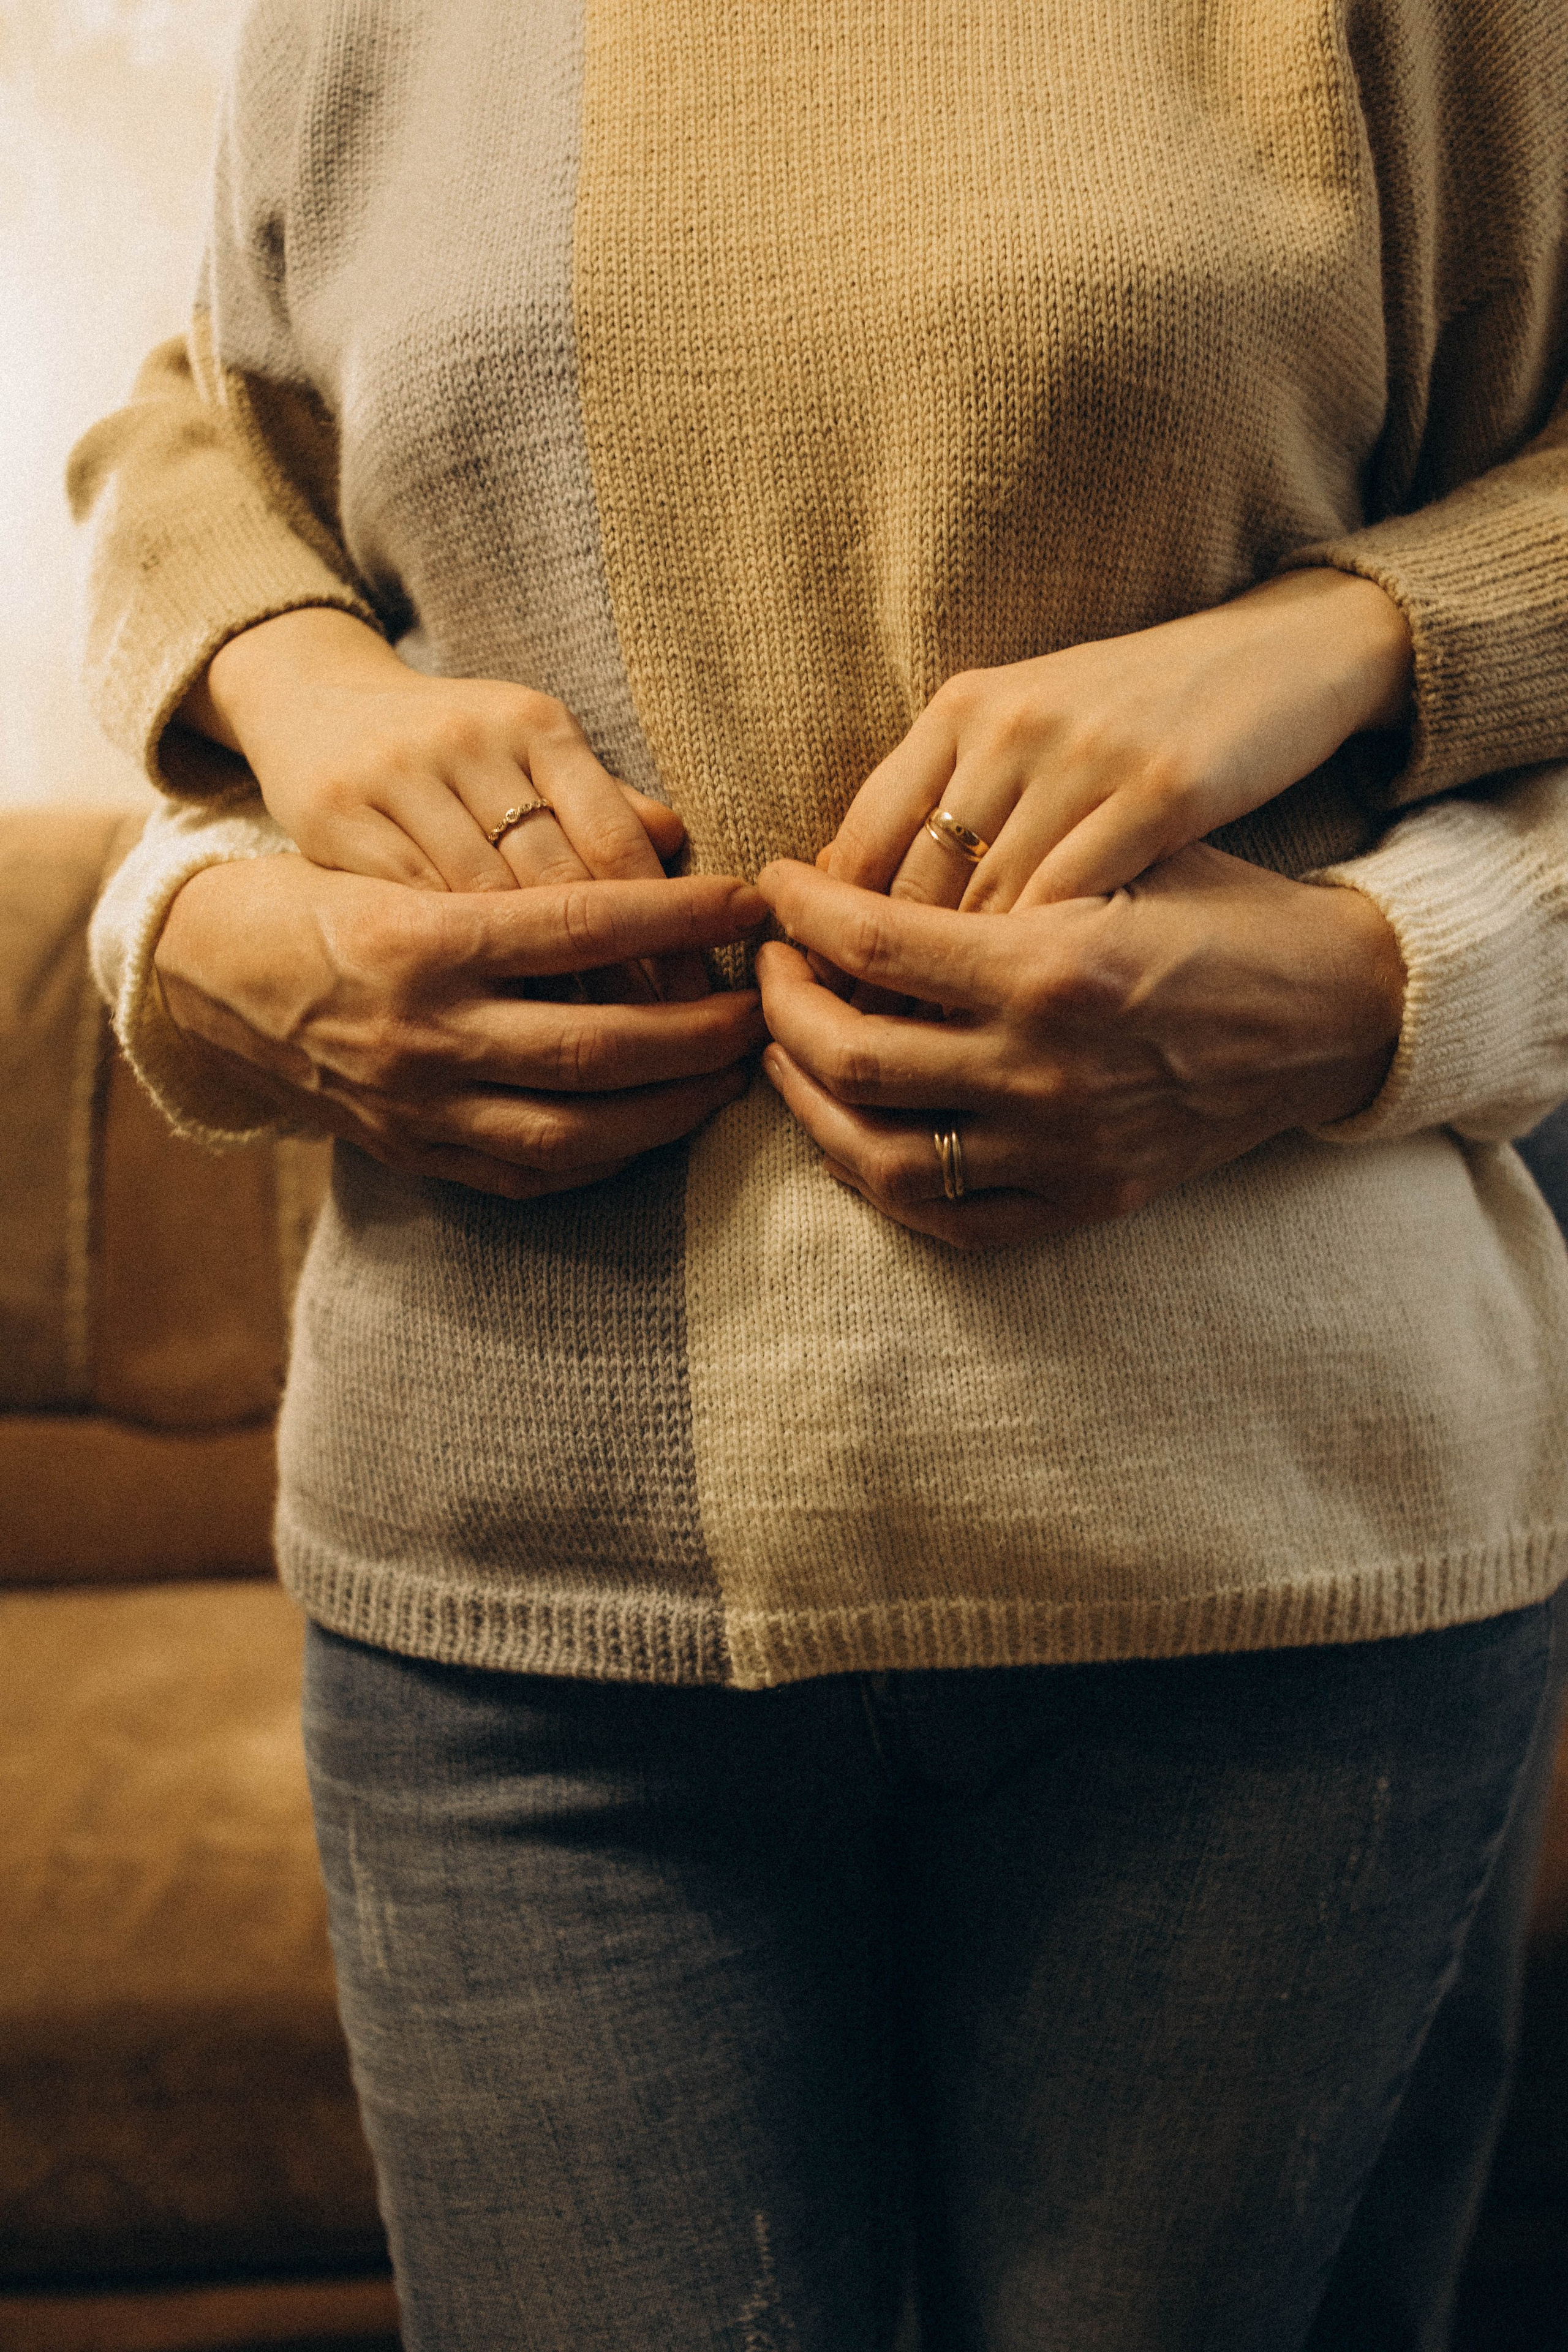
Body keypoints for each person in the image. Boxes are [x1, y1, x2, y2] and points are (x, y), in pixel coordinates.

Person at [72, 5, 1568, 2346]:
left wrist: (1369, 839)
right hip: (510, 1594)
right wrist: (275, 729)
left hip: (1274, 1578)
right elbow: (208, 440)